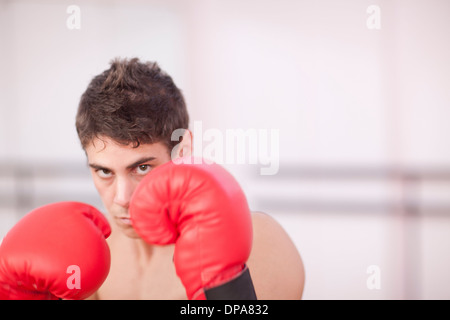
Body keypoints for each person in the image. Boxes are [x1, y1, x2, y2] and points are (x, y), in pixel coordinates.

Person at [0, 57, 305, 300]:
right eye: (104, 171)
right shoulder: (88, 258)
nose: (122, 198)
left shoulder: (259, 241)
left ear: (183, 150)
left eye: (142, 168)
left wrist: (227, 289)